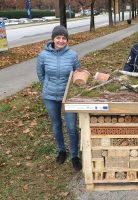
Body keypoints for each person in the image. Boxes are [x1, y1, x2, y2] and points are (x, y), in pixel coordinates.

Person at [36, 25, 82, 171]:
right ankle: (62, 150)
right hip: (50, 96)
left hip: (69, 96)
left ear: (67, 40)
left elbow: (77, 74)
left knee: (71, 127)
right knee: (56, 125)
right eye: (58, 37)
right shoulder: (43, 55)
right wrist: (47, 86)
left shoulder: (72, 55)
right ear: (53, 39)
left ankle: (74, 155)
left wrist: (71, 90)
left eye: (64, 38)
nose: (61, 40)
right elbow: (41, 74)